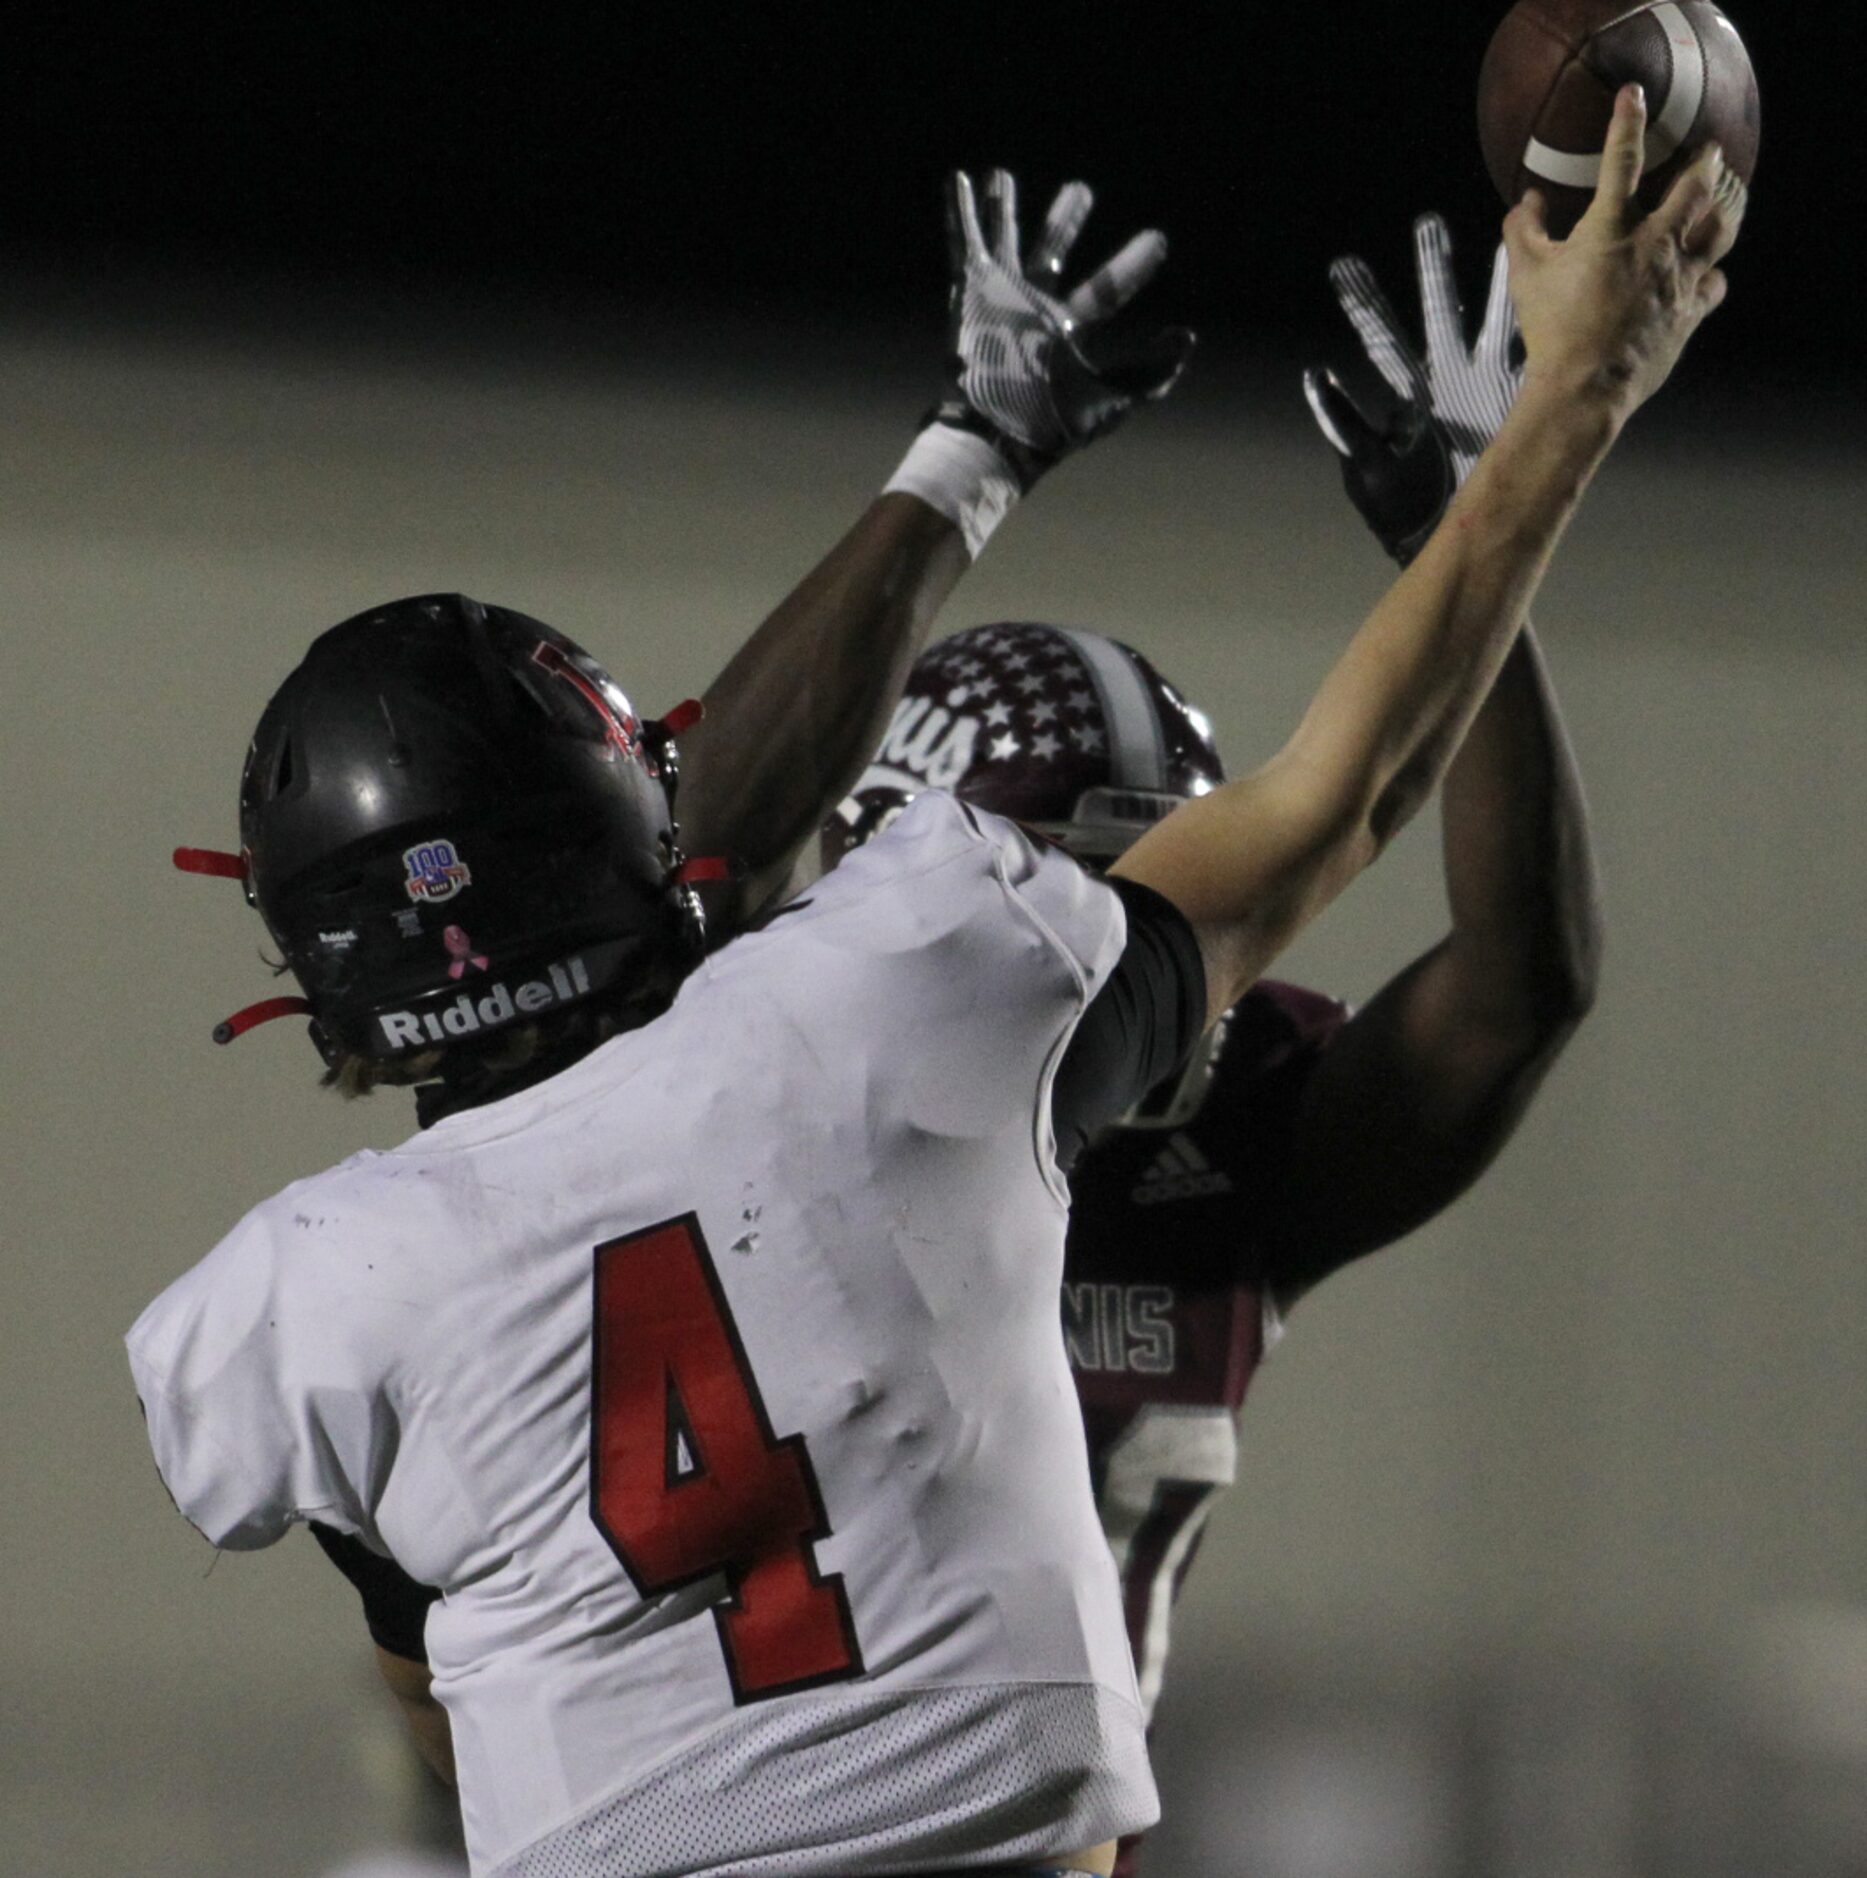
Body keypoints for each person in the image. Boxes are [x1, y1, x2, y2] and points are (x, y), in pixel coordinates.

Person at [129, 98, 1736, 1878]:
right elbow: (1335, 797)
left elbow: (432, 1685)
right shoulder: (886, 1008)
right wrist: (1573, 404)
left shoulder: (311, 1293)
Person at [823, 218, 1600, 1878]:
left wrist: (1472, 551)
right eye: (1069, 900)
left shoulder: (1231, 1134)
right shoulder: (768, 1112)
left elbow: (1516, 985)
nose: (1115, 957)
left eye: (1150, 892)